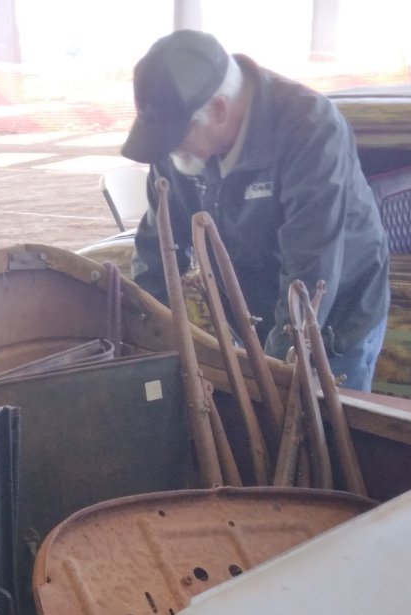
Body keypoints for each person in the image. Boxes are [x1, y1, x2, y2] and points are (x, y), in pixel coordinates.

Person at [124, 30, 390, 390]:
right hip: (253, 313)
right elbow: (157, 249)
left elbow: (310, 269)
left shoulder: (311, 129)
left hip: (335, 317)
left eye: (177, 137)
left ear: (219, 109)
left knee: (320, 421)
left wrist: (272, 375)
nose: (171, 151)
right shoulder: (179, 144)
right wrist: (147, 339)